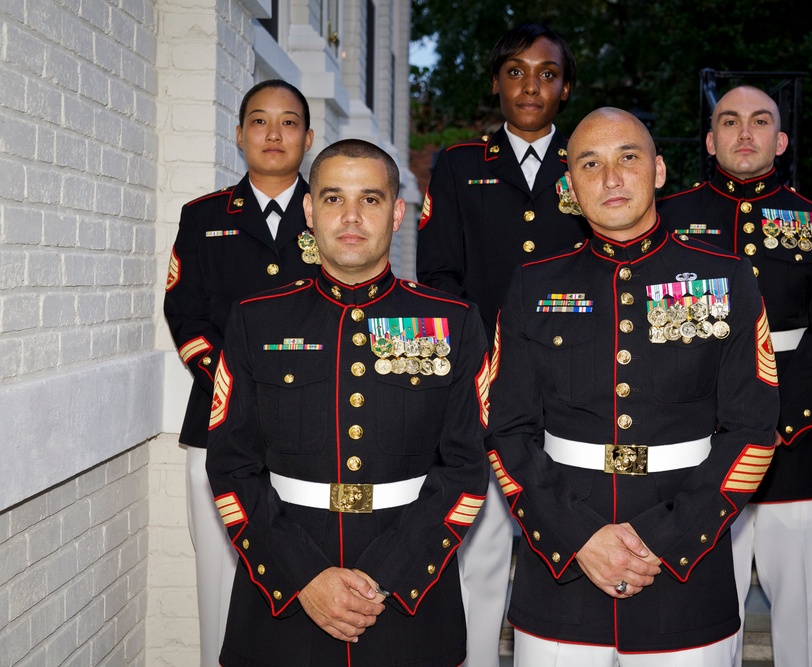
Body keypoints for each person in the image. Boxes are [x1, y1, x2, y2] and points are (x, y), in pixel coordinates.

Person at [485, 107, 781, 666]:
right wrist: (579, 537)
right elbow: (507, 428)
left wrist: (663, 537)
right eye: (590, 164)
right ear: (570, 187)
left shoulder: (728, 280)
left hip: (686, 572)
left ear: (660, 170)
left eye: (628, 157)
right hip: (563, 574)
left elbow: (752, 429)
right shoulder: (532, 286)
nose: (612, 177)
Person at [205, 139, 491, 666]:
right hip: (284, 597)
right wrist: (305, 579)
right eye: (334, 198)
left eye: (372, 199)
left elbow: (466, 470)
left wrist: (383, 578)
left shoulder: (453, 322)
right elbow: (231, 467)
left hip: (409, 599)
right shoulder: (257, 320)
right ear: (309, 211)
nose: (352, 216)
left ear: (398, 212)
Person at [657, 85, 812, 666]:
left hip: (795, 452)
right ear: (710, 139)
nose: (744, 132)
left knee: (801, 622)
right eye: (730, 121)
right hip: (695, 447)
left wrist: (773, 424)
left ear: (781, 139)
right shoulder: (669, 218)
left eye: (760, 120)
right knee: (701, 624)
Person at [416, 23, 589, 665]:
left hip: (574, 386)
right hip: (483, 386)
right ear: (496, 82)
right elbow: (439, 276)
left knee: (565, 532)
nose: (530, 85)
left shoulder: (589, 163)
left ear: (565, 87)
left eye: (547, 73)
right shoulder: (461, 166)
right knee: (483, 543)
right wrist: (474, 362)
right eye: (516, 71)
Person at [163, 79, 318, 666]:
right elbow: (186, 314)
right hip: (220, 425)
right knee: (222, 576)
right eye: (259, 121)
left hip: (314, 431)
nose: (273, 134)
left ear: (307, 136)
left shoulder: (331, 209)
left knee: (309, 577)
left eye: (287, 122)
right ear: (239, 134)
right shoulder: (203, 218)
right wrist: (240, 388)